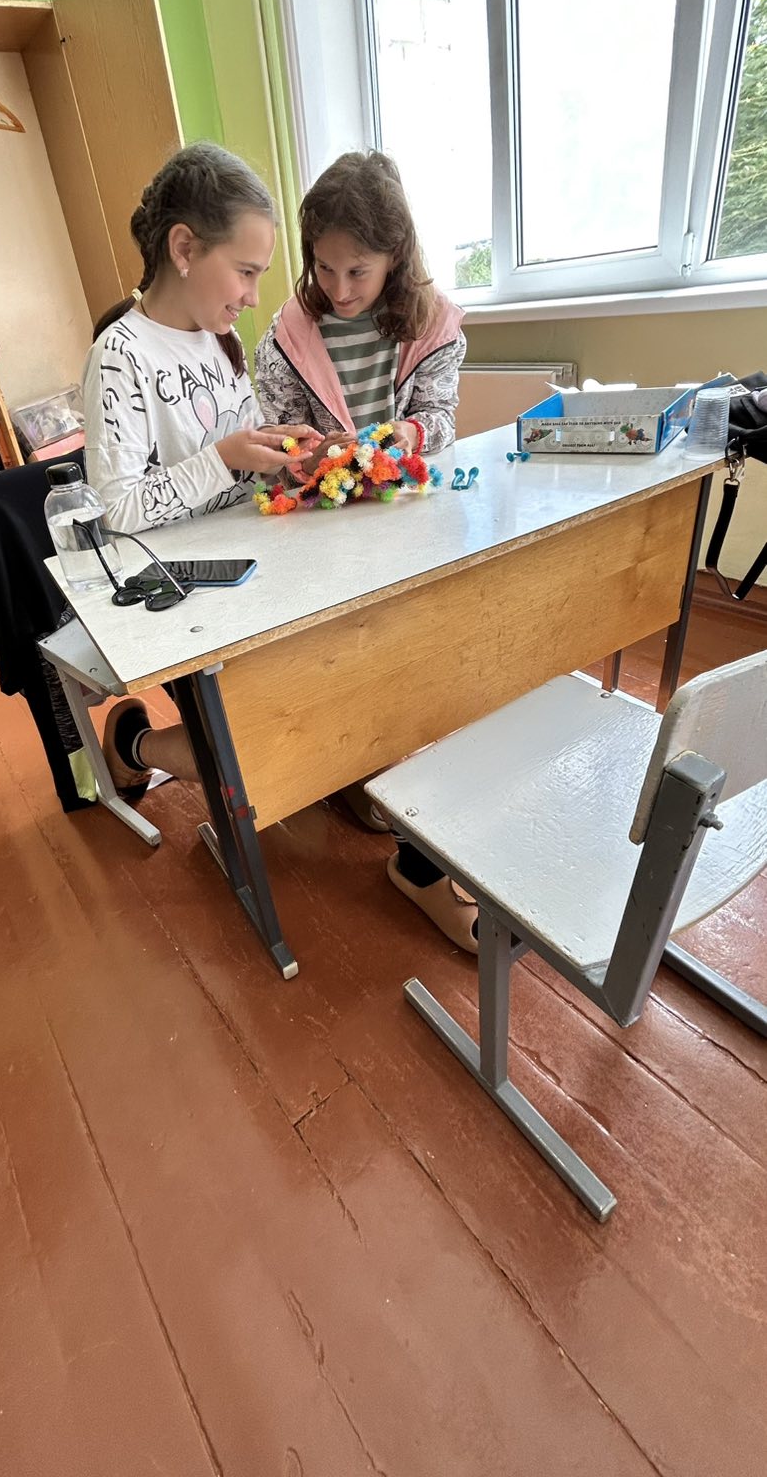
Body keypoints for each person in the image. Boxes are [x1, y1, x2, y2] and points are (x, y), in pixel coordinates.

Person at [256, 150, 476, 950]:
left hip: (404, 517)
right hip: (325, 523)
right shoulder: (290, 332)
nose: (340, 288)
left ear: (396, 257)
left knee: (411, 654)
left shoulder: (431, 322)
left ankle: (390, 781)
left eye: (359, 270)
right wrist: (304, 449)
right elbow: (276, 430)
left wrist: (391, 441)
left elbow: (439, 421)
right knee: (342, 652)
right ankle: (356, 771)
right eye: (324, 268)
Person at [82, 141, 318, 793]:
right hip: (182, 587)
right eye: (245, 271)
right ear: (184, 249)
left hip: (248, 559)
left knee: (322, 689)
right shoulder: (120, 356)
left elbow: (241, 443)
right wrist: (223, 459)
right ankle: (134, 745)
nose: (254, 296)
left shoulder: (221, 339)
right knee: (261, 743)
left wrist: (279, 450)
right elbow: (118, 510)